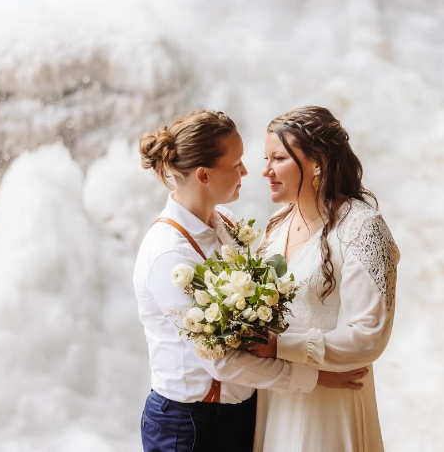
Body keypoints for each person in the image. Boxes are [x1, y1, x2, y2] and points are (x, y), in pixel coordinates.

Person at [133, 110, 368, 452]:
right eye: (237, 162)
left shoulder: (226, 223)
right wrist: (316, 377)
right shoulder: (169, 256)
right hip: (190, 425)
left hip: (241, 413)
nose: (247, 171)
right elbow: (220, 360)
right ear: (203, 175)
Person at [251, 105, 400, 451]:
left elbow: (369, 335)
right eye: (266, 159)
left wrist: (279, 348)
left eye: (278, 159)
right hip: (276, 393)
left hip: (330, 399)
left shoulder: (362, 226)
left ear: (317, 162)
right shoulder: (277, 223)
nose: (266, 171)